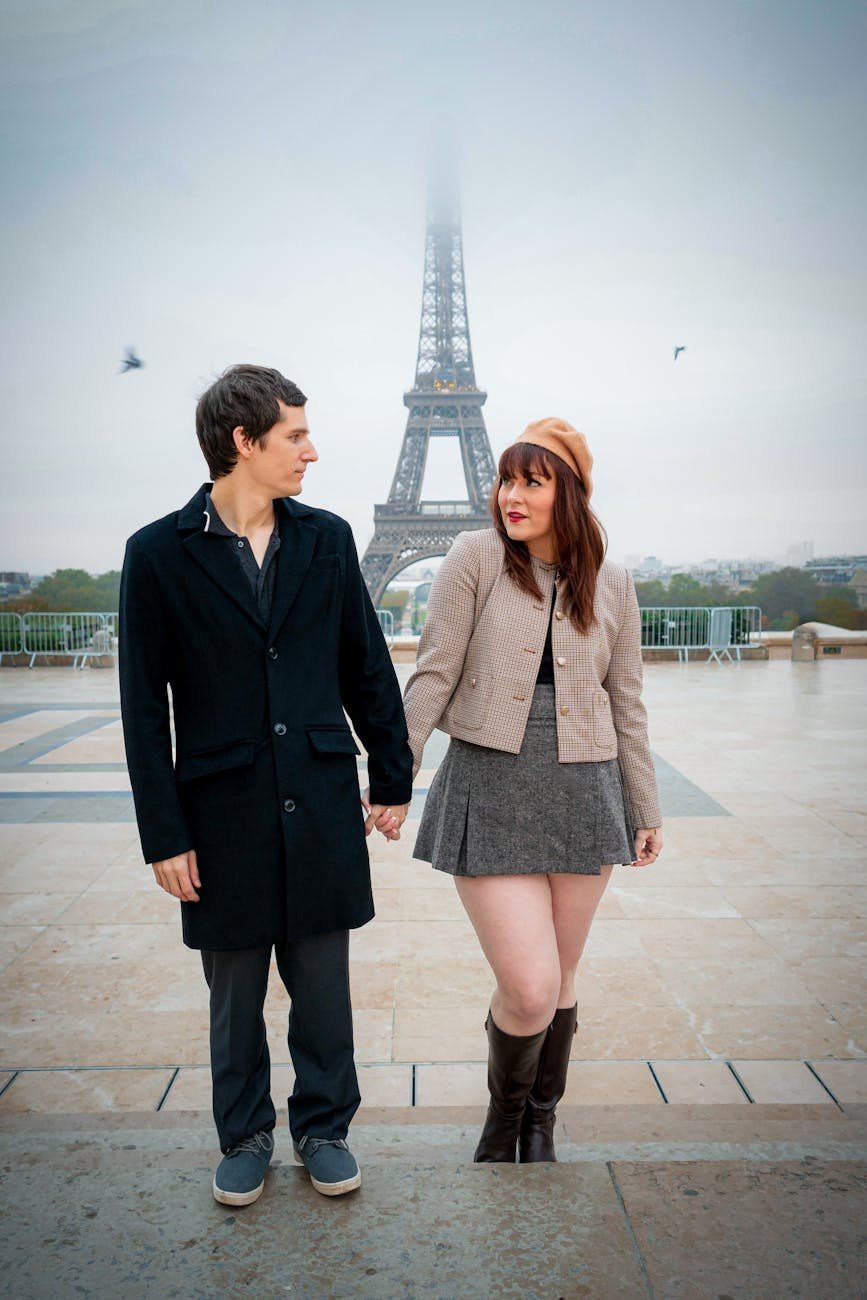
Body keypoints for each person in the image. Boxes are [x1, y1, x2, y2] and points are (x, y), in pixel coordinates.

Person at [119, 365, 412, 1205]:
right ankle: (243, 1133)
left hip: (320, 798)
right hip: (218, 812)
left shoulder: (326, 539)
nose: (311, 452)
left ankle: (324, 1128)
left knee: (324, 988)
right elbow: (142, 708)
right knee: (234, 990)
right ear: (242, 442)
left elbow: (365, 664)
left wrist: (392, 775)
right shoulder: (155, 555)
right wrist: (163, 834)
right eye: (295, 436)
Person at [402, 417, 662, 1164]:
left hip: (586, 786)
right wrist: (395, 771)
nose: (510, 495)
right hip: (492, 779)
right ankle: (502, 1117)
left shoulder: (611, 578)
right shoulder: (474, 556)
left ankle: (539, 1122)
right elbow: (434, 670)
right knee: (528, 983)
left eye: (531, 482)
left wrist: (644, 808)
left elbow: (626, 698)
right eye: (506, 480)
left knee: (562, 974)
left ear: (569, 492)